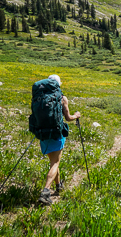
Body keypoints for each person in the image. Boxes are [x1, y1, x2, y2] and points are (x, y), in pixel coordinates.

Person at [38, 74, 81, 205]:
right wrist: (76, 115)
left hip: (42, 134)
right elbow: (68, 118)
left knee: (53, 161)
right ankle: (46, 192)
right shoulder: (62, 98)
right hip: (57, 134)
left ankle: (58, 186)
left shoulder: (40, 97)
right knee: (55, 163)